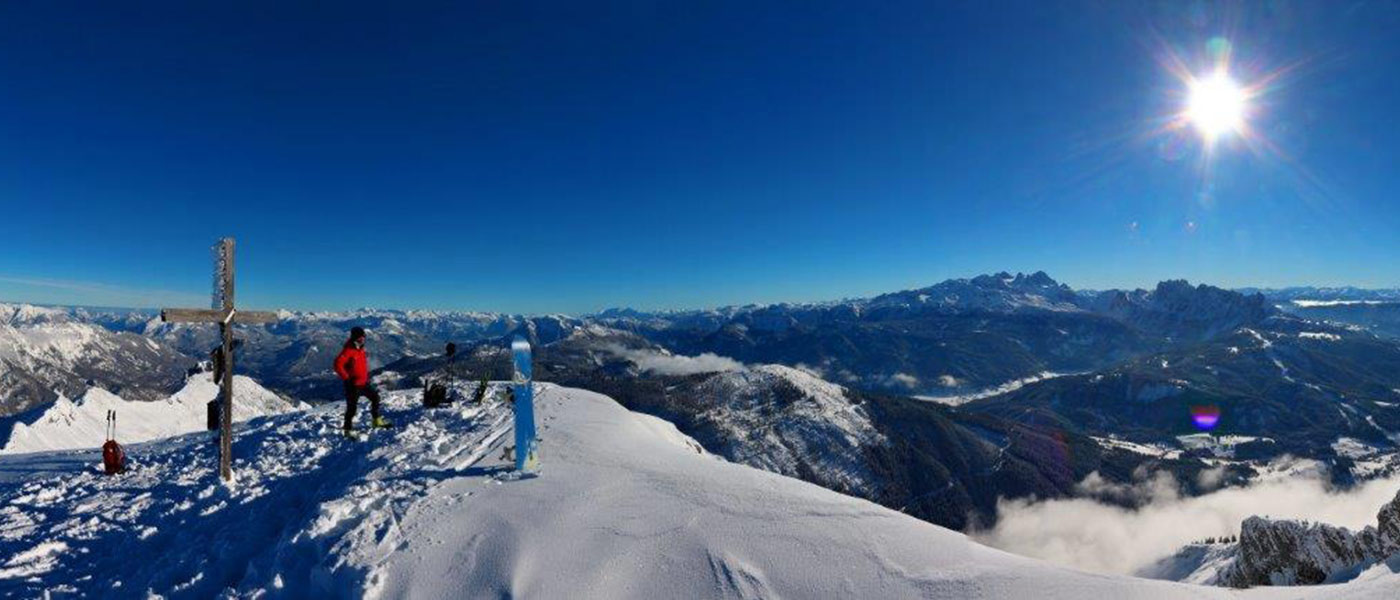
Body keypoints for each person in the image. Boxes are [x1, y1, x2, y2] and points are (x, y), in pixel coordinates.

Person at [334, 327, 390, 436]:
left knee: (375, 398)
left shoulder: (360, 349)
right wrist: (347, 378)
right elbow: (337, 364)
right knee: (352, 409)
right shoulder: (348, 350)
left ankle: (376, 421)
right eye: (361, 337)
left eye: (363, 337)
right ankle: (348, 430)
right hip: (353, 385)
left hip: (363, 383)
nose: (363, 339)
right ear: (355, 337)